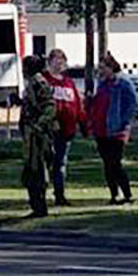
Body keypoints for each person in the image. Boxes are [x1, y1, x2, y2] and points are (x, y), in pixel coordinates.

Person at [89, 53, 138, 205]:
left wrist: (123, 122)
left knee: (114, 163)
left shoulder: (123, 83)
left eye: (103, 68)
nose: (101, 71)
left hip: (117, 130)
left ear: (111, 67)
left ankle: (127, 194)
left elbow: (133, 104)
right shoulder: (102, 84)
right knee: (106, 164)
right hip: (101, 129)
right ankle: (113, 194)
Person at [42, 48, 86, 206]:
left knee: (61, 162)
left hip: (67, 130)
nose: (60, 64)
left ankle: (59, 194)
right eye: (56, 60)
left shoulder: (68, 82)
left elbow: (77, 105)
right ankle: (40, 193)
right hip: (48, 130)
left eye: (62, 61)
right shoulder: (45, 81)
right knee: (46, 162)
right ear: (50, 62)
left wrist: (82, 122)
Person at [20, 55, 57, 218]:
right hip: (30, 134)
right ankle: (35, 204)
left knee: (38, 171)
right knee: (30, 171)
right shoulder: (31, 83)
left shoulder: (39, 83)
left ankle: (40, 206)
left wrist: (38, 126)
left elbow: (50, 106)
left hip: (39, 136)